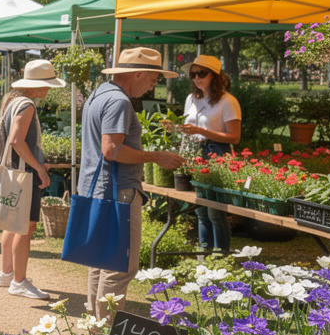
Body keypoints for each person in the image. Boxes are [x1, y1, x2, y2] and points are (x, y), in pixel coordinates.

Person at [80, 47, 183, 320]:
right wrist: (156, 157)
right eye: (153, 78)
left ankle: (96, 328)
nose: (153, 85)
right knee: (120, 266)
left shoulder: (98, 93)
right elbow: (112, 150)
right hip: (117, 191)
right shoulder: (119, 102)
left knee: (99, 262)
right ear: (138, 73)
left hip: (96, 188)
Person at [0, 60, 67, 300]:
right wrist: (40, 169)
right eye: (47, 85)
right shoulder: (27, 106)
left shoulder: (14, 102)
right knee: (26, 227)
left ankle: (7, 273)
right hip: (25, 174)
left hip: (16, 171)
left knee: (13, 224)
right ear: (36, 86)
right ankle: (19, 281)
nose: (49, 90)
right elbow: (17, 141)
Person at [179, 54, 241, 254]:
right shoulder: (191, 99)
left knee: (216, 212)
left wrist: (202, 132)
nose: (197, 78)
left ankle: (221, 257)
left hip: (217, 155)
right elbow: (190, 129)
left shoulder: (227, 102)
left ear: (215, 76)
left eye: (202, 73)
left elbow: (234, 137)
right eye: (193, 74)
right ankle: (203, 256)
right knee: (200, 210)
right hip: (194, 153)